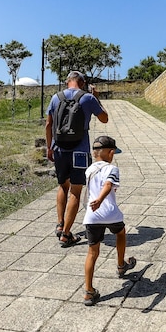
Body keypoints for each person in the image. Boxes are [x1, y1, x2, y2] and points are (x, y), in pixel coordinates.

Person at [45, 71, 108, 247]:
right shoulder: (88, 98)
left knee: (63, 186)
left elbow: (48, 124)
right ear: (83, 83)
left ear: (67, 83)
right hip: (79, 151)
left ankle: (60, 224)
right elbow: (104, 119)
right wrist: (97, 98)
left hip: (59, 149)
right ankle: (66, 234)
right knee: (75, 190)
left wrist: (49, 147)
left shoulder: (55, 98)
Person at [82, 135, 136, 306]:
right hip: (109, 212)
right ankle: (121, 265)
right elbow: (107, 185)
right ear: (110, 152)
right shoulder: (112, 169)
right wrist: (100, 199)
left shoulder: (89, 169)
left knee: (92, 253)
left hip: (91, 214)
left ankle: (89, 292)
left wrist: (95, 201)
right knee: (120, 233)